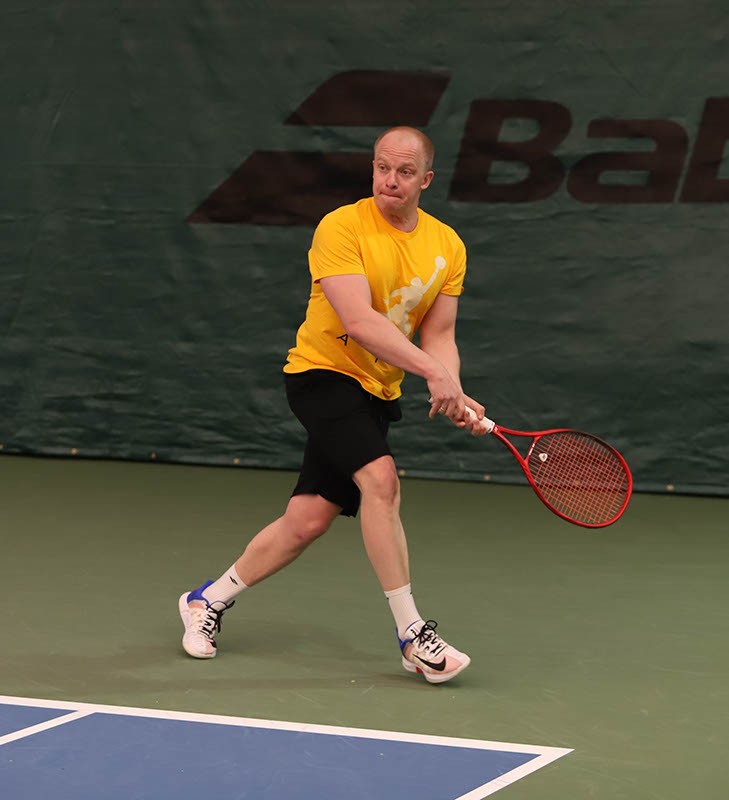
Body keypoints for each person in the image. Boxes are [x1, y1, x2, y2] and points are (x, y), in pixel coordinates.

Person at [178, 126, 487, 684]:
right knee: (381, 480)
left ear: (426, 180)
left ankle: (206, 600)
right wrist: (433, 374)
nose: (390, 180)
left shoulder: (448, 245)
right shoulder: (341, 226)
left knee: (307, 520)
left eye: (405, 172)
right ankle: (412, 634)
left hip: (377, 390)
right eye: (382, 168)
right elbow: (359, 321)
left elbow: (440, 334)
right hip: (322, 374)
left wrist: (454, 387)